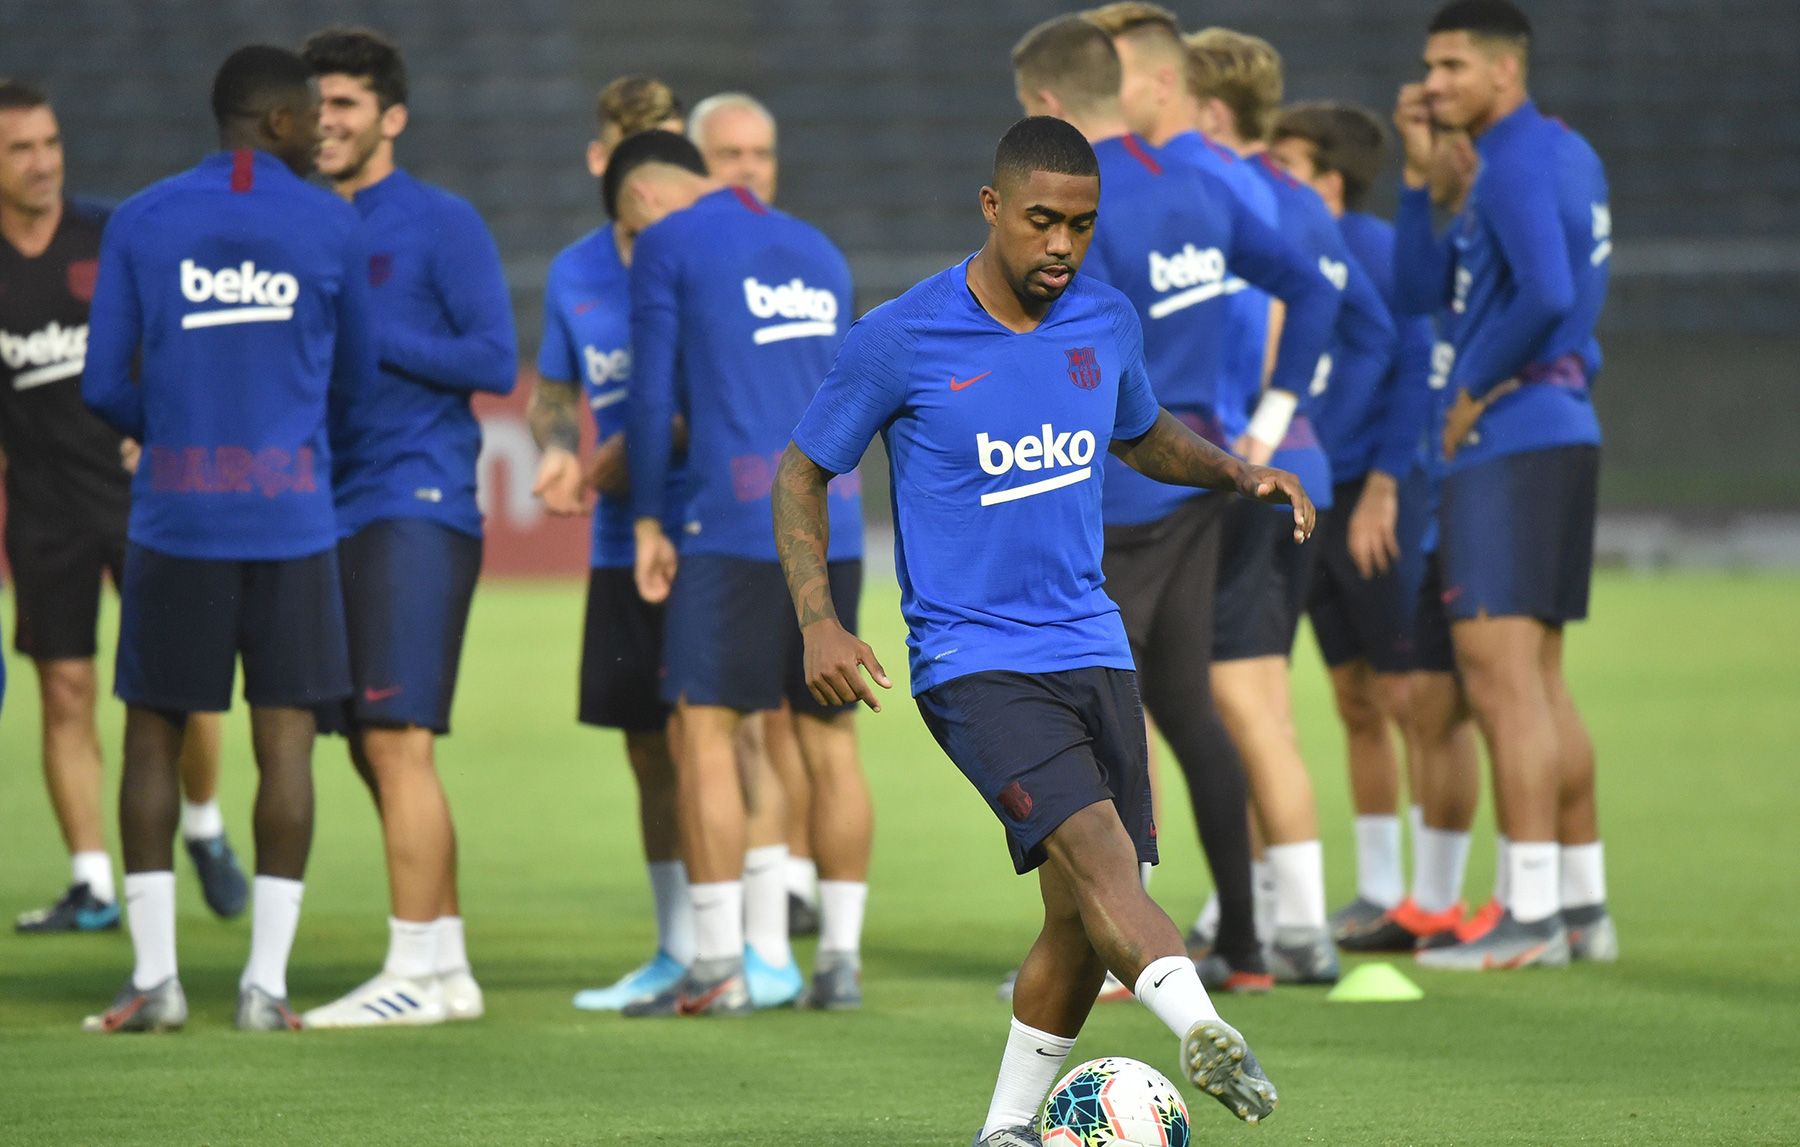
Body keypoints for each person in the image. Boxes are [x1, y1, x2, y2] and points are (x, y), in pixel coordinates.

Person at [774, 113, 1307, 1140]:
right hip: (975, 663)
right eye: (1040, 221)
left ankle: (1005, 1130)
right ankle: (1203, 1029)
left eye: (1081, 225)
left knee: (1082, 911)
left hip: (1093, 645)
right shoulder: (901, 338)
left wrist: (1238, 470)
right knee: (1103, 857)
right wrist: (819, 620)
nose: (1060, 244)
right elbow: (803, 469)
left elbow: (1143, 434)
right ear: (992, 209)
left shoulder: (1105, 321)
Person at [1021, 12, 1339, 997]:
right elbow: (1313, 291)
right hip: (1199, 478)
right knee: (1190, 708)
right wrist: (1267, 419)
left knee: (1101, 714)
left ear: (1044, 107)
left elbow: (1060, 346)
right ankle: (1244, 943)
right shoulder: (1200, 182)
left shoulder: (1076, 206)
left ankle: (1125, 946)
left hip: (1110, 489)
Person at [79, 43, 371, 1032]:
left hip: (176, 515)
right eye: (312, 120)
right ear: (277, 123)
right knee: (287, 741)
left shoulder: (141, 218)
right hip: (292, 519)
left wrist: (170, 432)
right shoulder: (330, 222)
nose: (323, 136)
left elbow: (100, 382)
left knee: (155, 737)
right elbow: (358, 382)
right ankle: (266, 989)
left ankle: (155, 981)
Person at [608, 130, 873, 1014]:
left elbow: (652, 394)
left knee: (705, 731)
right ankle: (838, 959)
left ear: (645, 199)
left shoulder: (670, 243)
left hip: (729, 520)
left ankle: (716, 961)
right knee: (830, 742)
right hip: (830, 525)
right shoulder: (819, 247)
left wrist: (647, 514)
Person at [294, 27, 516, 1028]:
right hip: (322, 507)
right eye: (315, 104)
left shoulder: (440, 221)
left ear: (392, 116)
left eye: (344, 104)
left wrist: (363, 328)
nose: (325, 122)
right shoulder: (295, 223)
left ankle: (411, 973)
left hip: (414, 499)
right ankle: (447, 965)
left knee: (396, 735)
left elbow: (492, 358)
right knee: (365, 742)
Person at [1393, 0, 1616, 970]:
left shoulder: (1517, 157)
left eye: (1447, 66)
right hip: (1562, 429)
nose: (1432, 83)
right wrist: (1426, 188)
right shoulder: (1561, 154)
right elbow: (1428, 287)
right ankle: (1581, 904)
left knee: (1502, 682)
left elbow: (1550, 296)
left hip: (1512, 435)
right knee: (1542, 680)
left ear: (1501, 70)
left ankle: (1527, 917)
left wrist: (1474, 388)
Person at [0, 79, 245, 934]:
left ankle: (206, 826)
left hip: (144, 499)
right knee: (64, 690)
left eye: (51, 142)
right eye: (21, 148)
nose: (43, 162)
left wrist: (166, 421)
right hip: (41, 512)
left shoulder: (113, 235)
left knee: (177, 680)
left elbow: (185, 334)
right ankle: (92, 881)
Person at [1184, 26, 1394, 984]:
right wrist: (1299, 421)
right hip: (1296, 463)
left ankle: (1286, 928)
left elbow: (1279, 311)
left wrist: (1258, 426)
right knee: (1261, 703)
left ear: (1211, 109)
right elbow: (1361, 327)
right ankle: (1272, 913)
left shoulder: (1213, 187)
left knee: (1226, 703)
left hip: (1238, 471)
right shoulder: (1304, 201)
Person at [1267, 104, 1487, 949]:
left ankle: (1435, 899)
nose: (1272, 177)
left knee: (1418, 698)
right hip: (1314, 489)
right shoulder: (1285, 252)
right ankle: (1380, 892)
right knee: (1356, 697)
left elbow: (1417, 376)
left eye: (1288, 163)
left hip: (1372, 493)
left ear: (1330, 180)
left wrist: (1386, 488)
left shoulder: (1378, 251)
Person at [530, 75, 699, 1012]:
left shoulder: (714, 259)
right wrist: (561, 452)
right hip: (613, 545)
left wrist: (615, 461)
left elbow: (704, 401)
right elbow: (556, 392)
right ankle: (677, 946)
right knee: (647, 747)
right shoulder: (575, 271)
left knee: (721, 738)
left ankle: (750, 941)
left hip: (710, 534)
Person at [687, 89, 825, 936]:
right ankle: (793, 883)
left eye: (759, 155)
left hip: (794, 518)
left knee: (807, 725)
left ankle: (795, 881)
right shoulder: (715, 257)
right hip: (750, 516)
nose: (747, 170)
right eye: (728, 155)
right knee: (772, 718)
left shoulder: (808, 255)